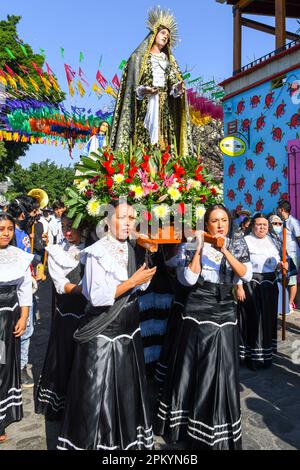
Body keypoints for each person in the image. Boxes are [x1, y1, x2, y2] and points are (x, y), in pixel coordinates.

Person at [57, 200, 157, 450]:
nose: (128, 223)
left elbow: (141, 288)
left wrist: (144, 270)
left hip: (129, 330)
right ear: (107, 221)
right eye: (122, 218)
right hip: (103, 333)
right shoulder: (96, 252)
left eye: (132, 218)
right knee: (98, 396)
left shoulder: (134, 249)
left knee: (126, 392)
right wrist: (133, 280)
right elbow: (97, 297)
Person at [155, 204, 252, 450]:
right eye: (214, 221)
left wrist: (225, 250)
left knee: (220, 369)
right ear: (206, 224)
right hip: (198, 306)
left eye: (224, 220)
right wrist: (199, 248)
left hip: (225, 309)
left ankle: (215, 425)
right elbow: (187, 279)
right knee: (194, 366)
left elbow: (246, 275)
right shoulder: (194, 242)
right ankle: (184, 425)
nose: (220, 225)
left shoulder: (237, 243)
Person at [110, 6, 193, 155]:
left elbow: (173, 83)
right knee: (145, 137)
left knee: (164, 139)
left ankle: (163, 170)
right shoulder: (139, 58)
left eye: (167, 35)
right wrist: (144, 90)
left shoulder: (169, 61)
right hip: (145, 105)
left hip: (164, 106)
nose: (165, 36)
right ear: (154, 33)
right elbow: (132, 87)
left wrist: (177, 88)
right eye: (162, 33)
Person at [36, 214, 87, 421]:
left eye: (71, 227)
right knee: (65, 357)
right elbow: (60, 285)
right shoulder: (57, 252)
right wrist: (92, 289)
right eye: (64, 227)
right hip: (68, 313)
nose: (66, 232)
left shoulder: (92, 248)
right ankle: (63, 405)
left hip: (89, 316)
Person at [237, 213, 287, 369]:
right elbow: (237, 265)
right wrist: (239, 286)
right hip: (251, 285)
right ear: (253, 225)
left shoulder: (273, 241)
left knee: (267, 319)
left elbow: (277, 262)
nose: (262, 227)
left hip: (269, 285)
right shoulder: (245, 241)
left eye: (265, 225)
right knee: (253, 319)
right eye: (259, 224)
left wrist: (281, 266)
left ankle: (266, 355)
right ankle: (252, 357)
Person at [0, 212, 33, 443]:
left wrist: (24, 317)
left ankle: (2, 418)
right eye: (1, 228)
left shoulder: (19, 256)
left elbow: (24, 290)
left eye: (9, 229)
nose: (5, 233)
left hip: (8, 319)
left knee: (3, 365)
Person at [7, 195, 40, 387]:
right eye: (32, 212)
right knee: (22, 329)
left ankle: (19, 364)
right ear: (21, 214)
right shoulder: (11, 233)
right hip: (15, 290)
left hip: (28, 285)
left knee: (28, 327)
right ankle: (17, 368)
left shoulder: (23, 231)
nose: (35, 216)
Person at [277, 200, 300, 313]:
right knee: (284, 278)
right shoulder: (282, 222)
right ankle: (284, 303)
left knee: (292, 279)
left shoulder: (293, 222)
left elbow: (299, 237)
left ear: (282, 209)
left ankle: (290, 304)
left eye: (278, 208)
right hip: (284, 255)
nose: (277, 210)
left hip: (292, 254)